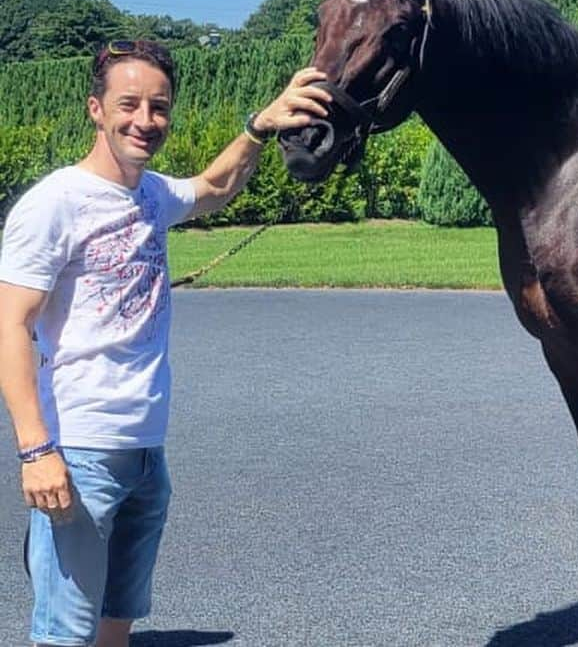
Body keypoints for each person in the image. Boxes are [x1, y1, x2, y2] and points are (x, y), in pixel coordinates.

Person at [0, 40, 331, 647]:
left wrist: (261, 124)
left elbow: (214, 186)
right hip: (80, 449)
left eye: (159, 106)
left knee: (116, 621)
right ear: (95, 108)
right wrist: (35, 449)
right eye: (129, 104)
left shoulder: (151, 193)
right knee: (63, 632)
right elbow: (9, 326)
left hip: (146, 451)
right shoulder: (54, 203)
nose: (145, 121)